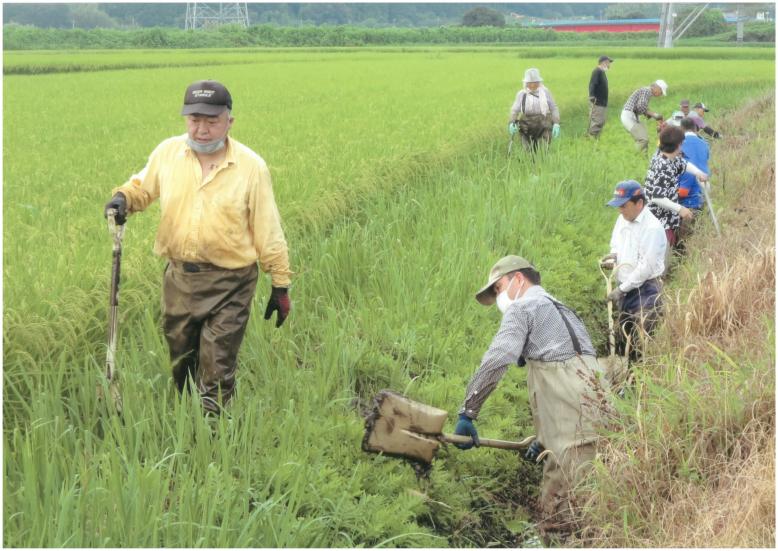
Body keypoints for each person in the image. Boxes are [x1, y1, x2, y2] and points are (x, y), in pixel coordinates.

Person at [103, 80, 292, 415]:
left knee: (216, 368)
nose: (202, 129)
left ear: (229, 121)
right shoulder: (168, 153)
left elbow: (268, 229)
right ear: (185, 119)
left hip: (230, 282)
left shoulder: (251, 167)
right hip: (179, 279)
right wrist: (122, 199)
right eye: (194, 120)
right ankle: (184, 426)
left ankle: (211, 441)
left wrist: (280, 283)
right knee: (181, 361)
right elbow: (141, 188)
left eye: (212, 120)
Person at [454, 255, 607, 540]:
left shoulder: (523, 308)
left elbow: (497, 359)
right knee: (599, 503)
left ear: (518, 280)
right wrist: (544, 438)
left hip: (571, 431)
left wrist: (468, 410)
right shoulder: (564, 310)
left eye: (498, 289)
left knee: (560, 517)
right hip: (602, 415)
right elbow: (573, 377)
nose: (499, 298)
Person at [602, 181, 667, 359]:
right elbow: (616, 243)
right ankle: (628, 384)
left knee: (642, 343)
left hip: (646, 290)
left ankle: (642, 384)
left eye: (624, 206)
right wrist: (613, 256)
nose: (620, 210)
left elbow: (646, 268)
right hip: (625, 289)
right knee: (626, 340)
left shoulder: (652, 228)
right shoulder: (622, 219)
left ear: (639, 203)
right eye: (618, 207)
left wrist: (621, 290)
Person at [643, 125, 709, 250]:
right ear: (678, 145)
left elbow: (683, 163)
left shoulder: (666, 156)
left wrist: (698, 173)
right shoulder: (663, 167)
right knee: (661, 251)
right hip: (659, 220)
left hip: (667, 216)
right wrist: (680, 209)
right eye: (682, 143)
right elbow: (657, 197)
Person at [677, 117, 711, 249]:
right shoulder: (704, 143)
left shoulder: (679, 144)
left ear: (681, 129)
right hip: (703, 191)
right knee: (700, 233)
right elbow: (705, 160)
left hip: (686, 197)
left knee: (684, 240)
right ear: (695, 128)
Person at [508, 68, 561, 153]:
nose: (532, 85)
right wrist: (511, 122)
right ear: (526, 83)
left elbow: (553, 107)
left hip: (544, 123)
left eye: (535, 83)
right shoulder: (522, 94)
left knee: (543, 150)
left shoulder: (545, 92)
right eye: (530, 83)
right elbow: (515, 110)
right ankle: (530, 165)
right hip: (526, 124)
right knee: (528, 151)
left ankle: (543, 164)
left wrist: (556, 123)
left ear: (539, 82)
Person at [620, 80, 668, 153]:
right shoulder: (646, 91)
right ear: (657, 88)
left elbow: (643, 107)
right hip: (629, 115)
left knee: (644, 140)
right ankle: (634, 155)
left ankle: (643, 158)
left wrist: (650, 114)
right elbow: (640, 106)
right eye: (661, 92)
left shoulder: (647, 92)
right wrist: (655, 115)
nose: (660, 94)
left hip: (633, 116)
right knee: (643, 139)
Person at [587, 55, 612, 138]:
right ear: (604, 62)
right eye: (608, 63)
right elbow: (592, 84)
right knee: (597, 121)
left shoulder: (602, 72)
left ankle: (596, 139)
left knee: (601, 121)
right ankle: (591, 138)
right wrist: (592, 96)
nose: (609, 65)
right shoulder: (597, 71)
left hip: (602, 102)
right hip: (597, 102)